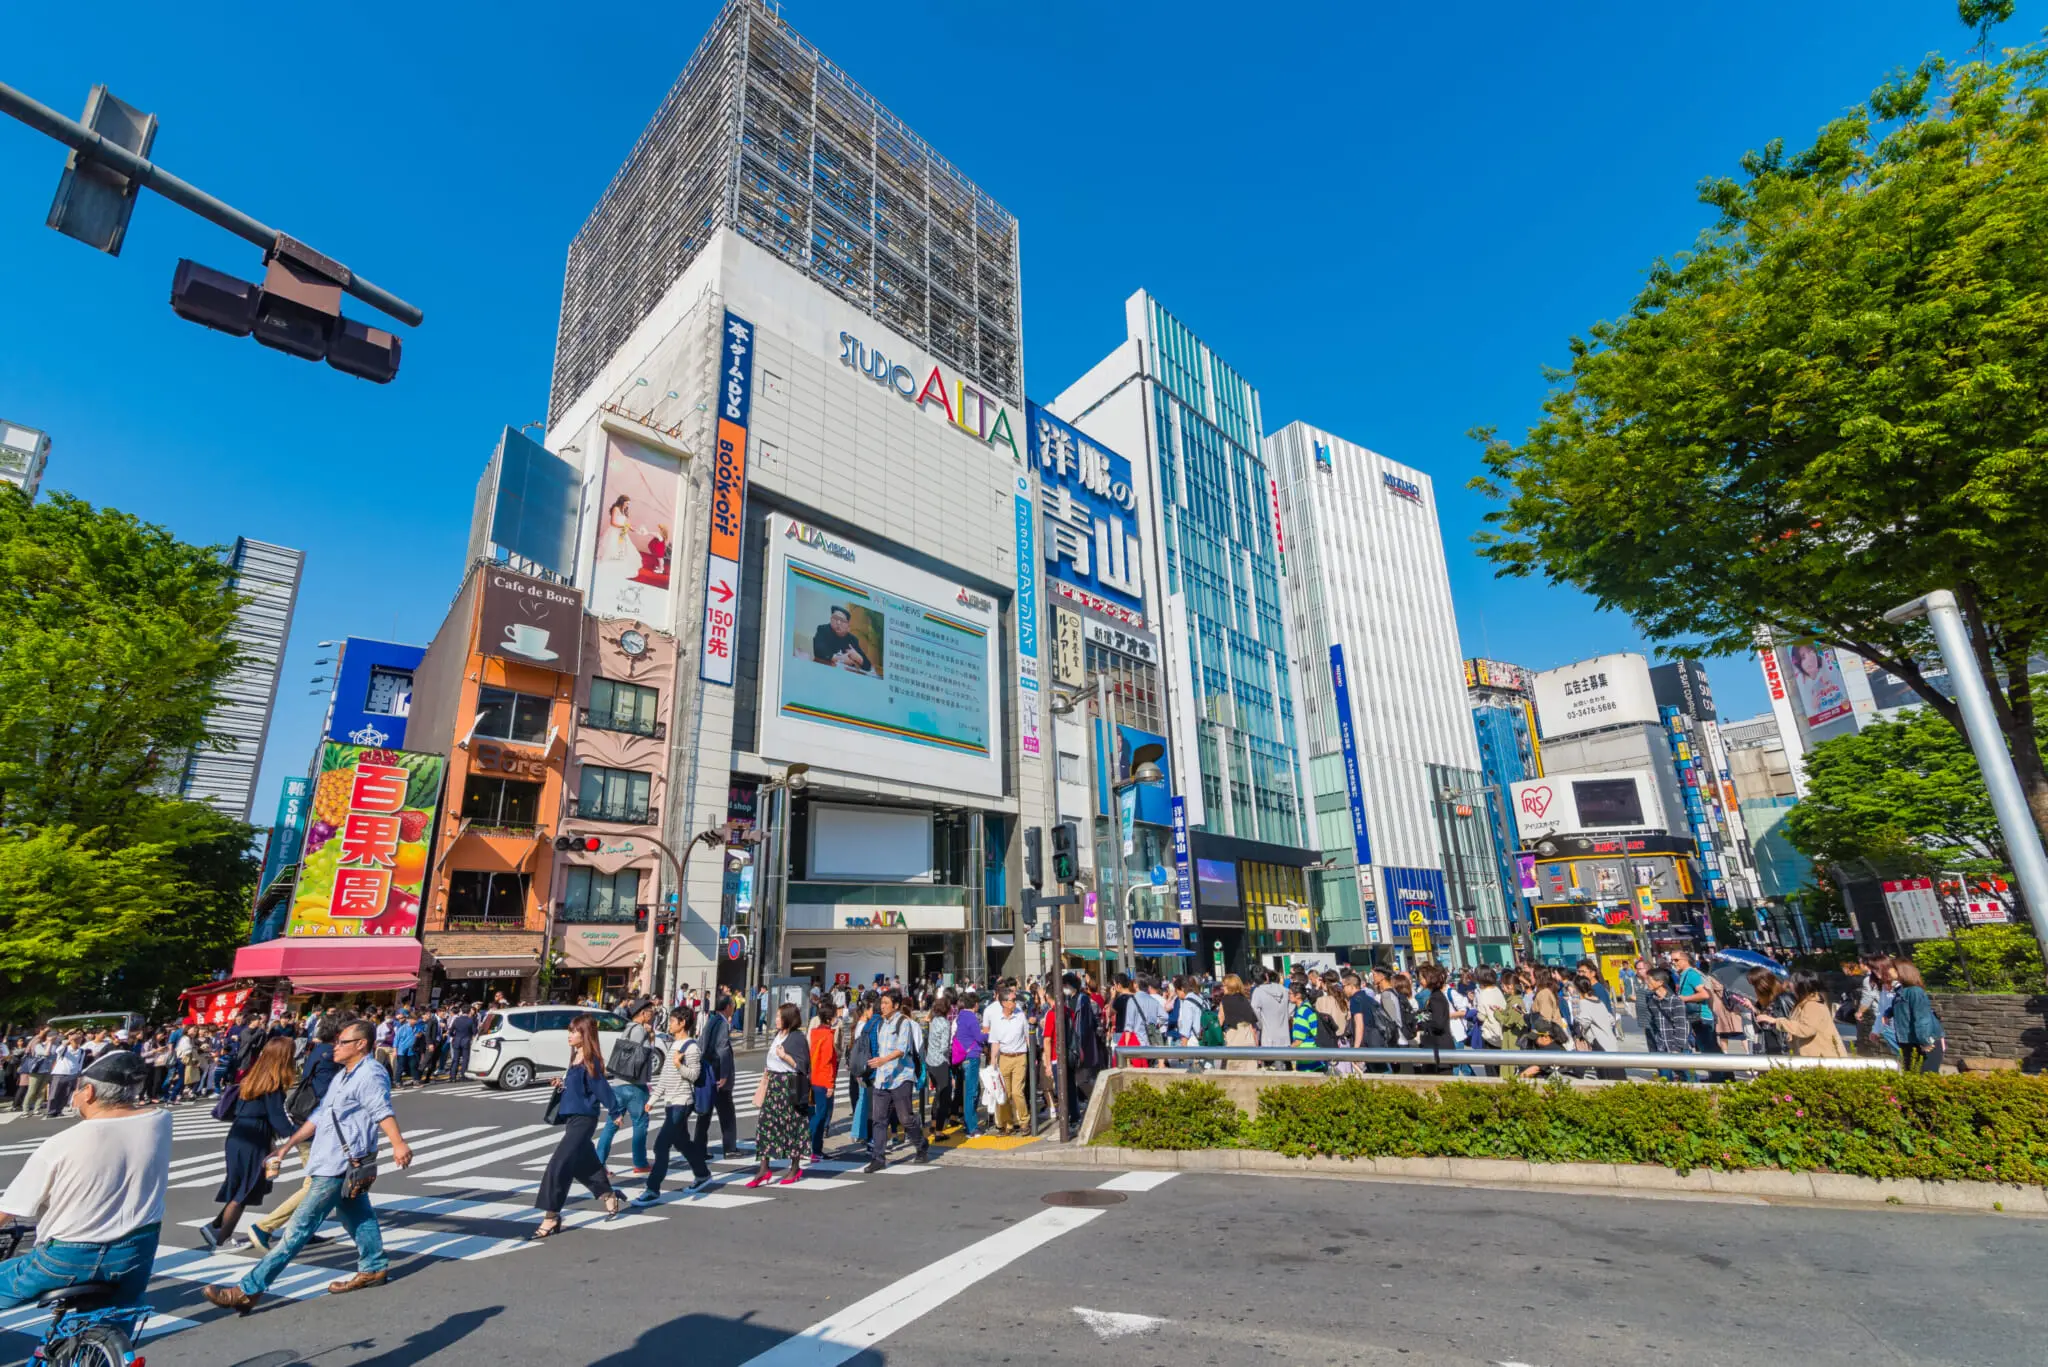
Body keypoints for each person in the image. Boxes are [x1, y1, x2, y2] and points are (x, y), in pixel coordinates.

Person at [203, 1019, 416, 1312]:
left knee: (298, 1229)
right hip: (333, 1159)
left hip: (341, 1162)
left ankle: (248, 1289)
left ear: (361, 1045)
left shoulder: (370, 1073)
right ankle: (374, 1266)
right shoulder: (344, 1075)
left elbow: (382, 1110)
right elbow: (320, 1115)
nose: (335, 1047)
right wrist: (287, 1145)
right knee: (357, 1214)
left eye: (342, 1042)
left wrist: (398, 1143)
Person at [0, 1051, 169, 1308]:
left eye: (77, 1089)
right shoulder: (160, 1121)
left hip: (69, 1255)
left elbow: (9, 1209)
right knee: (117, 1313)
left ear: (88, 1092)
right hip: (136, 1249)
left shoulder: (61, 1144)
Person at [250, 1014, 347, 1251]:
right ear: (338, 1034)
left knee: (320, 1184)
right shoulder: (330, 1056)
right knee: (316, 1185)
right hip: (313, 1127)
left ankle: (303, 1228)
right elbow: (327, 1097)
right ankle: (265, 1226)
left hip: (307, 1122)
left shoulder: (319, 1051)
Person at [531, 1015, 627, 1239]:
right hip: (572, 1119)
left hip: (584, 1120)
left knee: (559, 1164)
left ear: (585, 1035)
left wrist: (615, 1112)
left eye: (574, 1031)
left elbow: (601, 1088)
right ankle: (608, 1194)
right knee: (584, 1163)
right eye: (570, 1031)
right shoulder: (575, 1057)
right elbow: (579, 1088)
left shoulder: (590, 1061)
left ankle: (551, 1216)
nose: (570, 1035)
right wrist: (561, 1083)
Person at [199, 1038, 295, 1252]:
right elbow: (278, 1120)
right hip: (255, 1138)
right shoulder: (273, 1085)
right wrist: (302, 1134)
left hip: (238, 1135)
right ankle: (221, 1241)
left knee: (240, 1186)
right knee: (244, 1189)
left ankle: (216, 1227)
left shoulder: (252, 1079)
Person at [635, 1007, 714, 1201]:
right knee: (682, 1143)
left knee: (661, 1146)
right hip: (670, 1102)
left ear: (682, 1023)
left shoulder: (691, 1048)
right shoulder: (673, 1045)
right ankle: (702, 1174)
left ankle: (652, 1189)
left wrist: (679, 1065)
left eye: (672, 1021)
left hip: (682, 1102)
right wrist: (652, 1100)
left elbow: (694, 1075)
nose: (669, 1024)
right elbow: (665, 1078)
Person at [748, 1004, 812, 1187]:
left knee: (792, 1126)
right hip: (774, 1085)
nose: (776, 1020)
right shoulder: (778, 1035)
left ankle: (795, 1166)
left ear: (788, 1018)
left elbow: (803, 1065)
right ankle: (764, 1168)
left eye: (779, 1016)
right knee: (765, 1125)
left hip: (789, 1086)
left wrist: (785, 1057)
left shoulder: (797, 1038)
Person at [864, 990, 926, 1173]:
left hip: (901, 1077)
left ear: (896, 1005)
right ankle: (878, 1158)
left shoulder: (903, 1023)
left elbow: (902, 1049)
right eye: (881, 1003)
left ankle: (921, 1144)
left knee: (905, 1118)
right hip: (882, 1079)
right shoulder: (881, 1024)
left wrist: (883, 1060)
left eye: (886, 1003)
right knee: (879, 1119)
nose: (882, 1006)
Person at [597, 998, 656, 1175]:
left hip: (618, 1083)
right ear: (643, 1013)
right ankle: (640, 1162)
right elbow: (642, 1055)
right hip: (634, 1085)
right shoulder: (640, 1030)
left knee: (611, 1124)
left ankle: (599, 1163)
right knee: (640, 1123)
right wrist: (650, 1037)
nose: (653, 1015)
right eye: (651, 1012)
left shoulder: (628, 1028)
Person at [695, 994, 740, 1161]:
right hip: (718, 1073)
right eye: (733, 1005)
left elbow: (701, 1044)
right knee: (727, 1112)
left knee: (705, 1113)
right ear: (727, 1007)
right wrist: (724, 1074)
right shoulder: (722, 1023)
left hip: (707, 1072)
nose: (733, 1008)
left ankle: (699, 1148)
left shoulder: (711, 1020)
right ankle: (730, 1148)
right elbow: (723, 1050)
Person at [986, 989, 1031, 1135]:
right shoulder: (997, 1020)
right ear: (1004, 1003)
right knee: (1005, 1094)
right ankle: (1008, 1123)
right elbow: (995, 1043)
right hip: (1004, 1058)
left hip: (1019, 1057)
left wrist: (1032, 1055)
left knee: (1017, 1092)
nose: (1015, 1002)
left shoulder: (1020, 1016)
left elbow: (1027, 1036)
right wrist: (993, 1062)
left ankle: (1024, 1121)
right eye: (1013, 1000)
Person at [1775, 971, 1849, 1059]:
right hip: (1812, 1057)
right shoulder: (1803, 1003)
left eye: (1792, 982)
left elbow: (1806, 1030)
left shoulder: (1812, 1005)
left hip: (1823, 1059)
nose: (1789, 984)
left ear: (1801, 986)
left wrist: (1777, 1021)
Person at [1889, 962, 1946, 1072]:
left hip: (1925, 1041)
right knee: (1912, 1076)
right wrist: (1888, 1013)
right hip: (1909, 1041)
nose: (1889, 971)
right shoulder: (1901, 991)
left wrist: (1925, 1041)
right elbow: (1903, 1010)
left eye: (1892, 968)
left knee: (1926, 1076)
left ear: (1902, 971)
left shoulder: (1915, 991)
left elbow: (1922, 1018)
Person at [1668, 950, 1719, 1055]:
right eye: (1671, 960)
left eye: (1676, 960)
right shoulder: (1684, 974)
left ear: (1685, 960)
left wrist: (1684, 998)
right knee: (1710, 1051)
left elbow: (1704, 994)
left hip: (1702, 1018)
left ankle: (1722, 1066)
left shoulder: (1691, 974)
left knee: (1709, 1053)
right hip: (1696, 1017)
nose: (1673, 963)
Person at [808, 1000, 841, 1158]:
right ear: (829, 1019)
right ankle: (808, 1141)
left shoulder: (815, 1033)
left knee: (819, 1114)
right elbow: (828, 1061)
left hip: (814, 1076)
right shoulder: (828, 1036)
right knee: (821, 1114)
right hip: (823, 1079)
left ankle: (816, 1149)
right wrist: (830, 1084)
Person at [950, 991, 985, 1136]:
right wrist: (990, 1034)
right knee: (972, 1092)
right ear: (975, 1004)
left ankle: (969, 1123)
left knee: (970, 1091)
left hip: (963, 1057)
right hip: (972, 1056)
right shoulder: (971, 1017)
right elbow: (979, 1037)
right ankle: (972, 1127)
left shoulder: (961, 1016)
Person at [811, 605, 875, 673]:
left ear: (847, 625)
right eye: (835, 618)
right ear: (831, 619)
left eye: (842, 620)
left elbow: (868, 666)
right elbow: (818, 649)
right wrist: (839, 658)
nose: (838, 623)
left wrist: (859, 658)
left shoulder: (852, 639)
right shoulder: (823, 629)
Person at [922, 996, 954, 1133]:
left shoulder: (934, 1020)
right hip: (941, 1062)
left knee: (937, 1093)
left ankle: (934, 1123)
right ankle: (939, 1131)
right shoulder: (945, 1024)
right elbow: (944, 1047)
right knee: (944, 1096)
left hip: (930, 1061)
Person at [45, 1032, 85, 1119]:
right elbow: (57, 1051)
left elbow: (80, 1063)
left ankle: (59, 1110)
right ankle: (51, 1111)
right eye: (76, 1039)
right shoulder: (65, 1048)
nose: (78, 1040)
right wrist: (69, 1039)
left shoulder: (82, 1051)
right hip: (59, 1073)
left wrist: (79, 1073)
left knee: (66, 1094)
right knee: (54, 1093)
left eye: (79, 1038)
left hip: (72, 1074)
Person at [1250, 970, 1290, 1051]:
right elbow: (1292, 1004)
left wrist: (1260, 1024)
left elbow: (1254, 1008)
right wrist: (1287, 1017)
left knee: (1270, 1058)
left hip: (1268, 1036)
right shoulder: (1284, 989)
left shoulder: (1258, 991)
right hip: (1285, 1036)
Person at [445, 1004, 477, 1081]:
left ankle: (452, 1076)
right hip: (466, 1040)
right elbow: (475, 1032)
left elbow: (450, 1031)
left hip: (457, 1040)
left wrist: (454, 1036)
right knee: (465, 1059)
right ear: (469, 1011)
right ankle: (463, 1075)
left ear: (462, 1011)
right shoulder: (471, 1020)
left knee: (455, 1059)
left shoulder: (457, 1019)